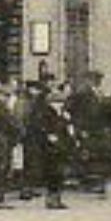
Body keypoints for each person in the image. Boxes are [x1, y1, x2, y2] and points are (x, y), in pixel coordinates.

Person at [27, 77, 74, 209]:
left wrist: (68, 127)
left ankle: (57, 198)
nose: (60, 104)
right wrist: (49, 136)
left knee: (60, 174)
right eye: (57, 102)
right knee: (52, 173)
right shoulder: (47, 113)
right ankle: (51, 199)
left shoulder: (63, 114)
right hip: (50, 149)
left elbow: (67, 129)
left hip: (62, 147)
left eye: (61, 102)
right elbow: (43, 129)